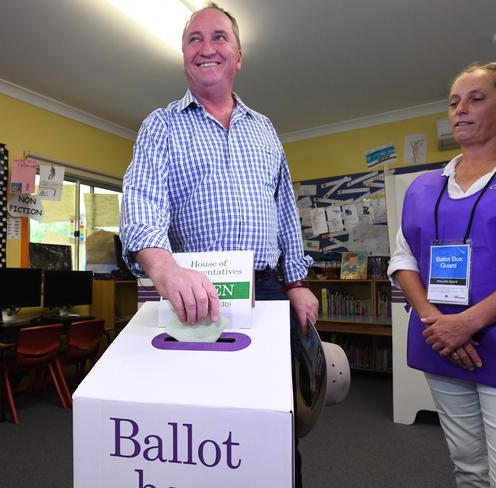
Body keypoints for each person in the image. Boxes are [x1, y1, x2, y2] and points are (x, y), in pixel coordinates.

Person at [120, 3, 317, 486]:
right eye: (194, 39)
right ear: (183, 55)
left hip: (269, 293)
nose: (206, 48)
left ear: (239, 56)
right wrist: (163, 268)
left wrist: (296, 281)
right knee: (205, 425)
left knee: (276, 419)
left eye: (219, 38)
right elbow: (142, 198)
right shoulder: (161, 125)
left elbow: (284, 211)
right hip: (200, 296)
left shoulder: (266, 130)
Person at [389, 62, 496, 487]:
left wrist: (466, 323)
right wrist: (437, 323)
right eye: (454, 102)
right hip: (440, 341)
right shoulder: (424, 186)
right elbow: (403, 260)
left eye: (476, 99)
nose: (461, 110)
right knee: (469, 469)